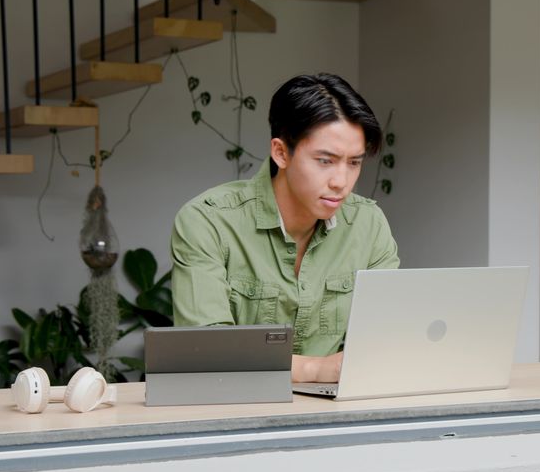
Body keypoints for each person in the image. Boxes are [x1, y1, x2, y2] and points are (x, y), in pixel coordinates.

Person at [170, 73, 400, 383]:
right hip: (233, 411)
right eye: (325, 161)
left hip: (334, 412)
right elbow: (205, 351)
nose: (341, 182)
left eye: (354, 163)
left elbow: (386, 338)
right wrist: (314, 369)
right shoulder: (207, 221)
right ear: (281, 152)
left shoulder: (368, 224)